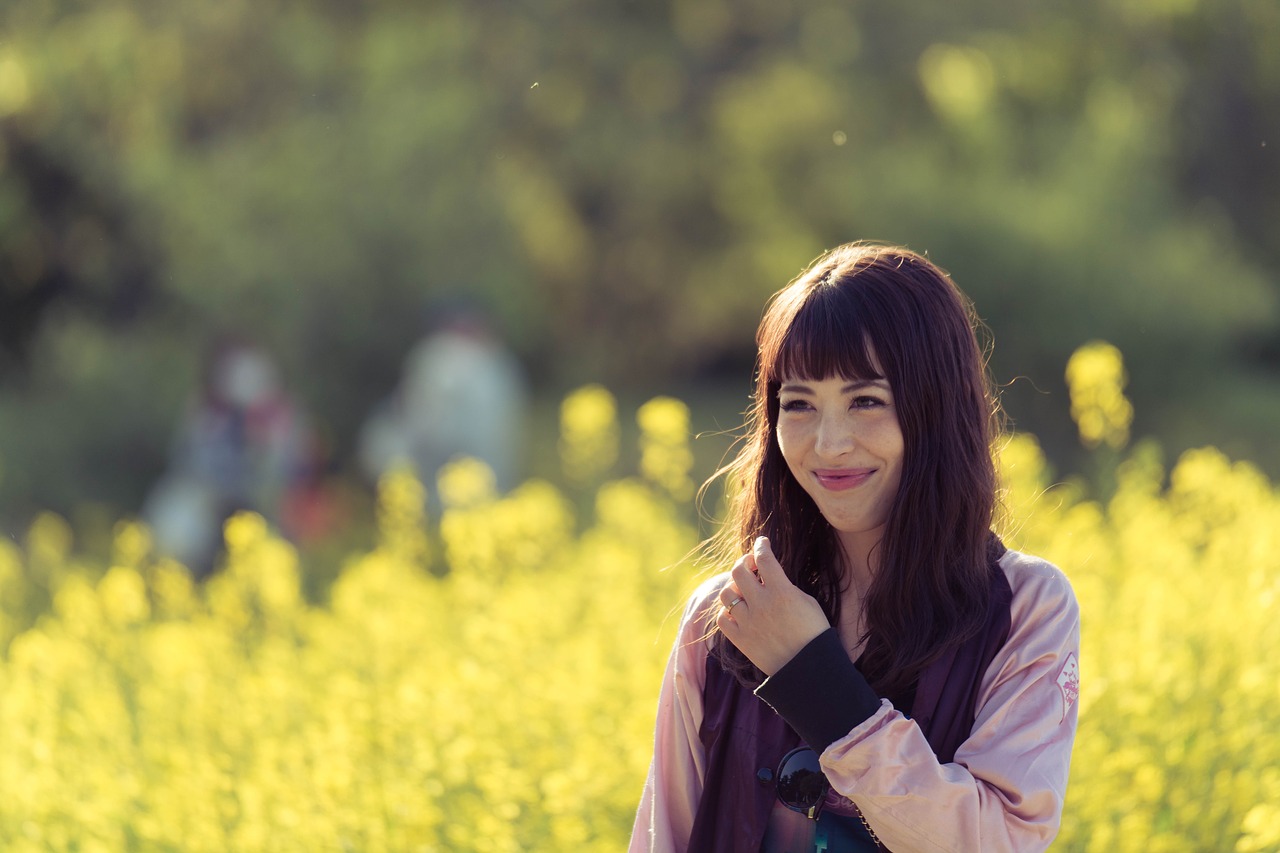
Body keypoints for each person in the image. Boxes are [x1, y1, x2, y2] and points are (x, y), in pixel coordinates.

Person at [629, 242, 1080, 852]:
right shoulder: (724, 618)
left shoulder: (1026, 607)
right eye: (799, 405)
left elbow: (996, 840)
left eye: (866, 401)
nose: (830, 443)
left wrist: (813, 677)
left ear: (936, 411)